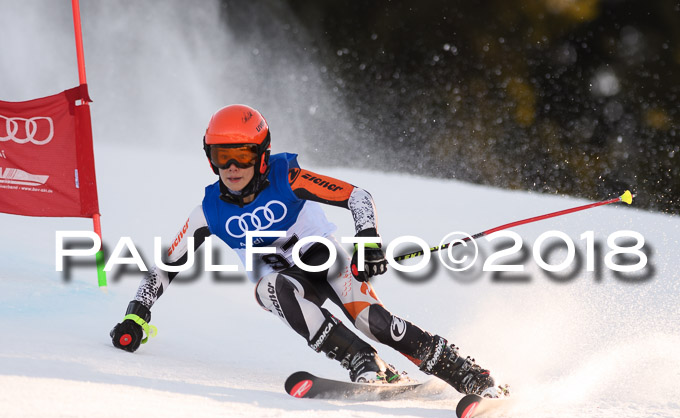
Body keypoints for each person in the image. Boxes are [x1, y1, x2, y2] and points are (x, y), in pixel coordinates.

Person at [110, 104, 503, 396]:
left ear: (261, 154)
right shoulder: (209, 212)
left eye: (243, 155)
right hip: (288, 283)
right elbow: (165, 268)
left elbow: (359, 197)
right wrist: (137, 315)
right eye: (220, 156)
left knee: (375, 323)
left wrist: (368, 240)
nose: (232, 167)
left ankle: (467, 373)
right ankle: (363, 363)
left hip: (330, 263)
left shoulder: (289, 178)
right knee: (269, 290)